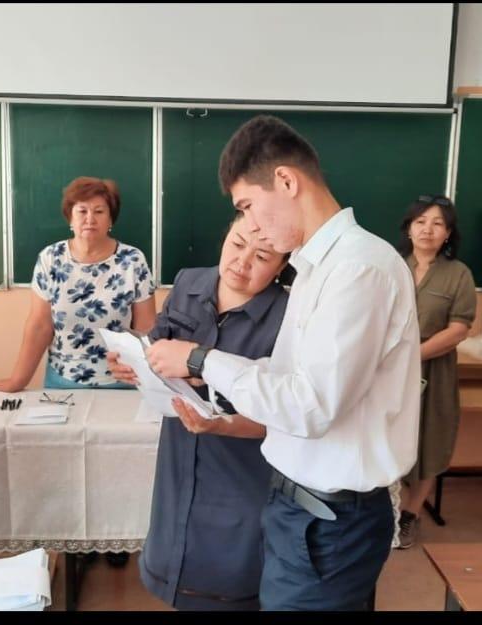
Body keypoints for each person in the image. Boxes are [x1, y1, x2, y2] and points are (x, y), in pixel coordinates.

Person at [145, 115, 421, 610]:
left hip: (329, 519)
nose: (251, 226)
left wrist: (203, 359)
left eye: (248, 206)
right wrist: (201, 374)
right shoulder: (316, 268)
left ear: (287, 181)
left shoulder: (359, 269)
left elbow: (310, 406)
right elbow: (287, 378)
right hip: (299, 506)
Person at [108, 212, 291, 610]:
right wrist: (131, 362)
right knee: (175, 554)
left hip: (240, 467)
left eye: (262, 257)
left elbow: (282, 415)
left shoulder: (288, 316)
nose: (242, 262)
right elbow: (156, 344)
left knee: (231, 580)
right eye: (237, 244)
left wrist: (220, 423)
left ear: (281, 267)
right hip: (179, 454)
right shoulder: (189, 282)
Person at [0, 176, 156, 392]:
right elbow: (40, 326)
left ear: (111, 220)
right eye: (82, 211)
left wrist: (148, 378)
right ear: (70, 217)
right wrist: (18, 380)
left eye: (99, 211)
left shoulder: (133, 260)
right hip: (63, 381)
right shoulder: (51, 258)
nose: (90, 219)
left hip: (124, 380)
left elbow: (146, 327)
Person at [395, 195, 477, 549]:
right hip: (387, 369)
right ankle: (387, 510)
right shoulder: (391, 267)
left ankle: (410, 515)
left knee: (430, 439)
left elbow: (458, 329)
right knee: (388, 435)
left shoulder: (459, 274)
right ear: (409, 229)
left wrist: (411, 355)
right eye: (421, 222)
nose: (428, 229)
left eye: (438, 223)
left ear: (448, 233)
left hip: (434, 368)